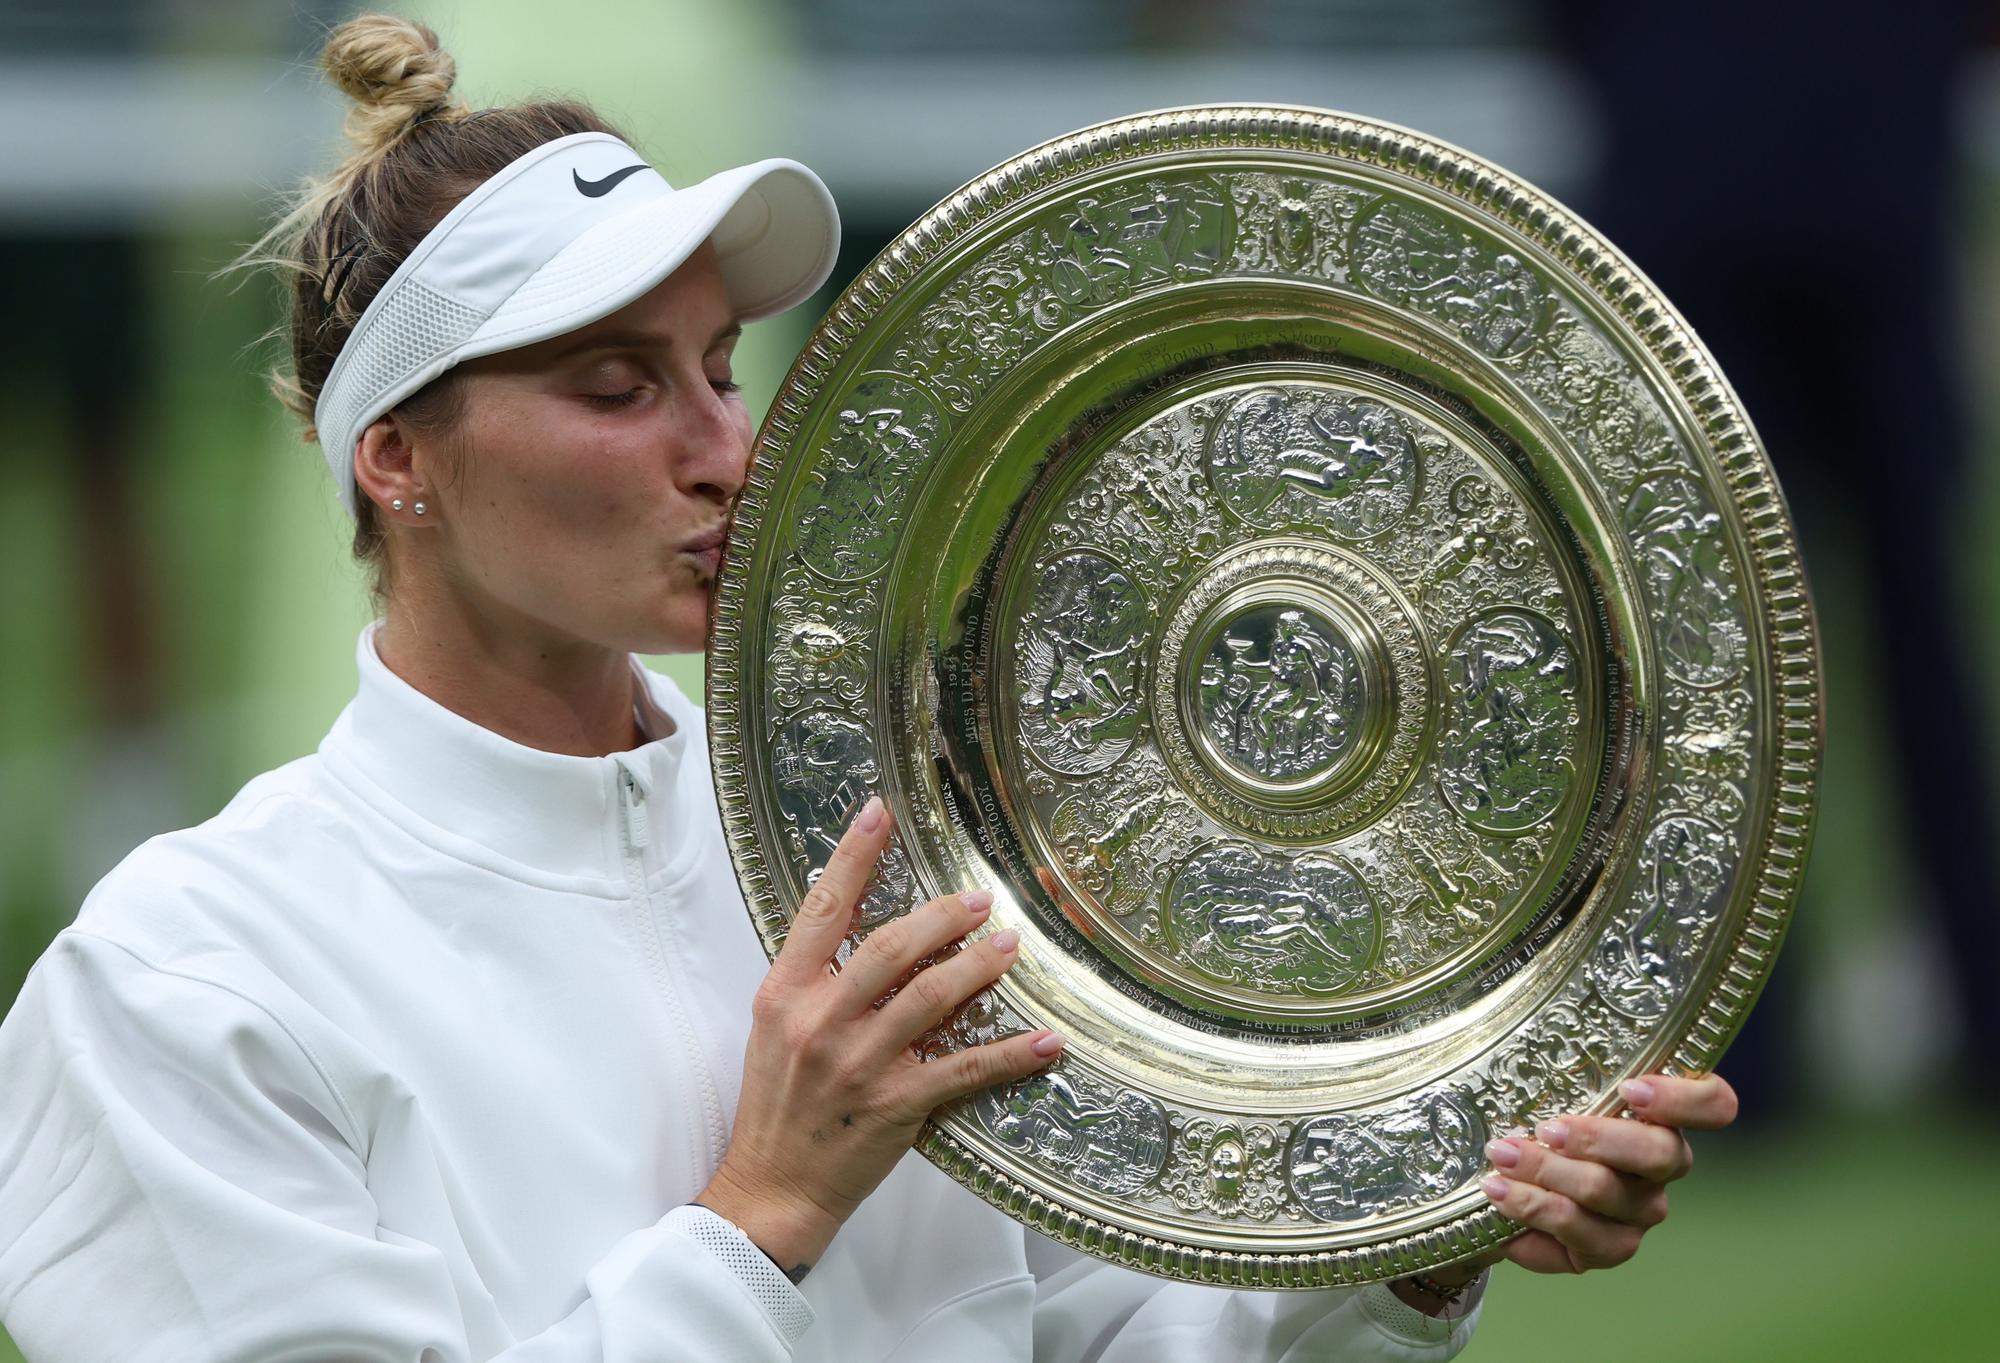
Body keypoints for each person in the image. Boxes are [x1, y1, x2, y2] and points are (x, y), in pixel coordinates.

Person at [0, 15, 1738, 1362]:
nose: (724, 452)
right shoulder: (182, 977)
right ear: (400, 462)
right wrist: (760, 1217)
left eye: (719, 372)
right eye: (617, 388)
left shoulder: (891, 850)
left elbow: (1110, 1337)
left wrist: (1414, 1252)